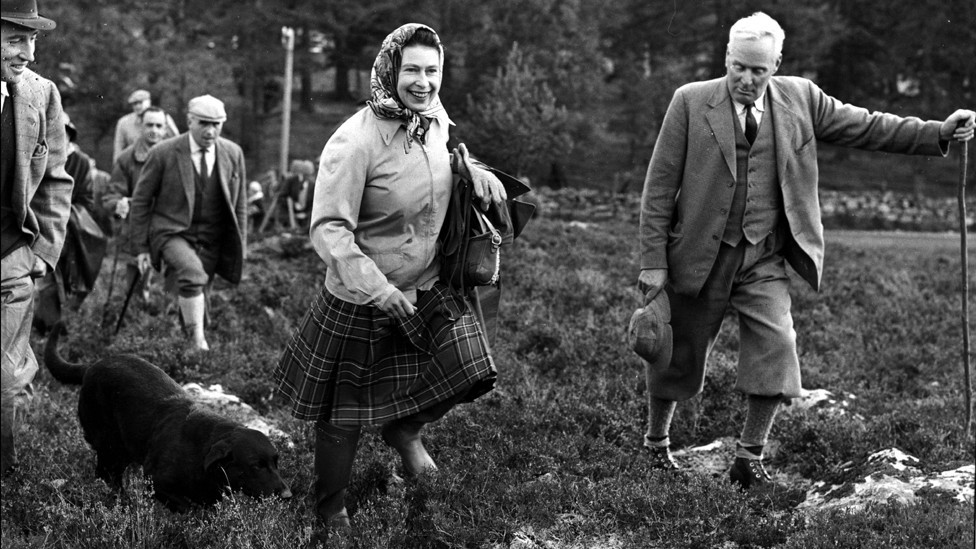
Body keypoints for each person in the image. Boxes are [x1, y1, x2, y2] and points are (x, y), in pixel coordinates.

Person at [637, 11, 975, 489]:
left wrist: (937, 131)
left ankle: (748, 459)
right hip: (698, 256)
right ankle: (656, 445)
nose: (746, 79)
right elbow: (658, 189)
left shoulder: (801, 98)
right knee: (676, 353)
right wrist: (653, 263)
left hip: (763, 257)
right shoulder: (690, 102)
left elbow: (868, 126)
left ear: (776, 64)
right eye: (738, 67)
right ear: (726, 57)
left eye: (758, 70)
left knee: (777, 348)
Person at [273, 23, 508, 542]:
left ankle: (404, 430)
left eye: (432, 71)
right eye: (412, 71)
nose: (423, 82)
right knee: (343, 418)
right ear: (388, 70)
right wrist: (380, 290)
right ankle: (331, 510)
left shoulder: (435, 120)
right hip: (363, 297)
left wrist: (474, 169)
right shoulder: (354, 141)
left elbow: (439, 164)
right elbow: (328, 229)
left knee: (472, 370)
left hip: (428, 285)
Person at [1, 0, 73, 475]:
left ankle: (5, 477)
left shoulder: (40, 94)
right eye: (14, 40)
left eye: (32, 40)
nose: (28, 53)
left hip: (11, 254)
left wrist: (42, 251)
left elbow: (56, 180)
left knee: (5, 376)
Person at [128, 94, 248, 352]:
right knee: (193, 276)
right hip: (172, 233)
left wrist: (241, 246)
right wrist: (140, 248)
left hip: (212, 238)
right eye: (204, 123)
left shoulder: (233, 153)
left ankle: (188, 359)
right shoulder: (163, 152)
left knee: (197, 295)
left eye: (216, 124)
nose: (210, 131)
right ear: (189, 121)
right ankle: (198, 345)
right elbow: (140, 202)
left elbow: (240, 205)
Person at [33, 112, 106, 331]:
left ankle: (58, 327)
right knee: (44, 281)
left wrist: (62, 214)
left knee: (70, 279)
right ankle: (46, 326)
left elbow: (87, 201)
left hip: (70, 229)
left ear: (69, 136)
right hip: (37, 226)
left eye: (61, 134)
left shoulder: (80, 162)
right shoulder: (37, 157)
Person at [104, 106, 170, 300]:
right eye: (149, 125)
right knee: (137, 280)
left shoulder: (175, 155)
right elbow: (112, 195)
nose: (154, 130)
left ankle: (168, 311)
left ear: (166, 129)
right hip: (138, 225)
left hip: (169, 224)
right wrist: (119, 204)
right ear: (141, 126)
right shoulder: (127, 158)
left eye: (159, 126)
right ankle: (138, 308)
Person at [112, 89, 178, 162]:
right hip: (135, 163)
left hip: (160, 160)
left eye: (140, 103)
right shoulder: (124, 122)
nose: (137, 106)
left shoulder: (162, 117)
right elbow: (118, 148)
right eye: (134, 104)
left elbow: (176, 141)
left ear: (149, 102)